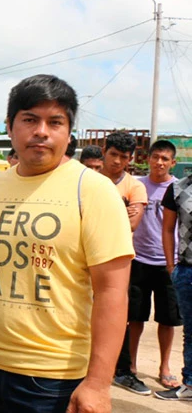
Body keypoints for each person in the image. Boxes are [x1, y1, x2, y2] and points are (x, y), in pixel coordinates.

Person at [0, 75, 134, 413]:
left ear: (69, 131)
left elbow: (112, 292)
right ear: (9, 126)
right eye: (30, 119)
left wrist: (97, 383)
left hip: (54, 379)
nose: (42, 131)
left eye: (55, 122)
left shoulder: (92, 190)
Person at [129, 140, 182, 390]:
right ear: (147, 158)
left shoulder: (179, 189)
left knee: (167, 320)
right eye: (155, 157)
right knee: (135, 318)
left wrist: (175, 263)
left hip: (168, 264)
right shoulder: (136, 185)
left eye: (165, 159)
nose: (159, 162)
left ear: (173, 163)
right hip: (138, 260)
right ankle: (130, 364)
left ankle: (165, 366)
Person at [100, 131, 151, 394]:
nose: (118, 161)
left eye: (124, 157)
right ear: (104, 150)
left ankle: (122, 371)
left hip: (117, 260)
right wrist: (121, 209)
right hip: (82, 258)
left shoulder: (135, 186)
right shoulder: (89, 180)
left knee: (117, 316)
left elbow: (133, 223)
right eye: (114, 155)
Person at [155, 172, 192, 400]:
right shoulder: (179, 188)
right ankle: (190, 384)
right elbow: (168, 229)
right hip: (188, 270)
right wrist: (171, 266)